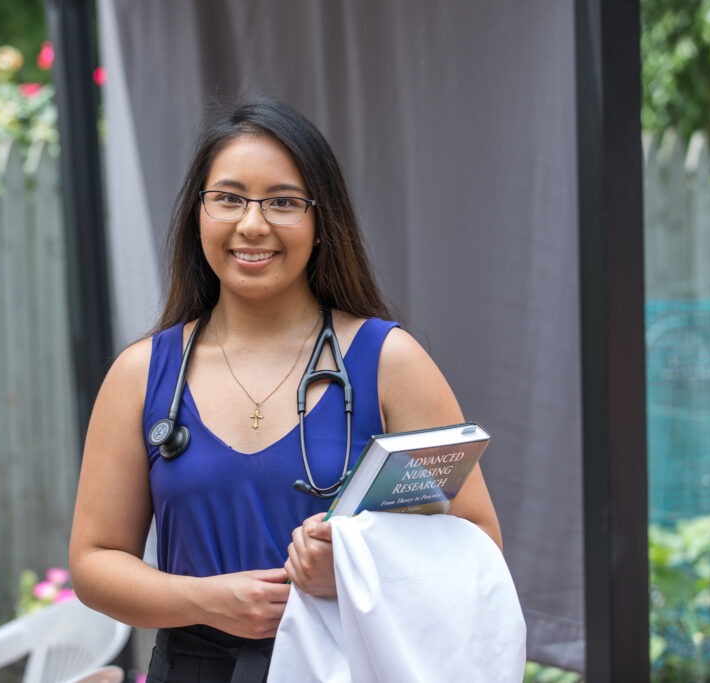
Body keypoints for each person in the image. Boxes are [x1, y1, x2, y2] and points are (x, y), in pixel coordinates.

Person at [69, 97, 502, 683]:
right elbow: (95, 564)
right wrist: (205, 600)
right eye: (228, 198)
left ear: (322, 221)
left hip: (344, 666)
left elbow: (477, 545)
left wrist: (352, 571)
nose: (253, 224)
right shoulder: (141, 374)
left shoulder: (389, 362)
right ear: (198, 213)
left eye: (283, 201)